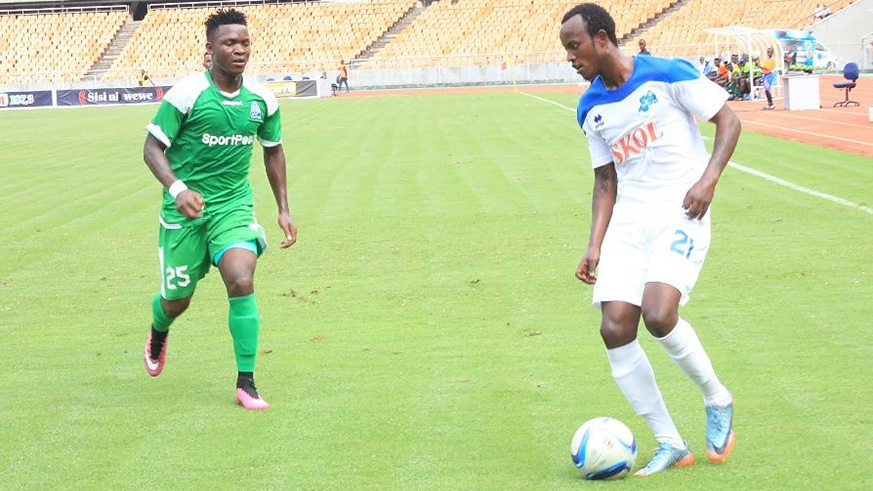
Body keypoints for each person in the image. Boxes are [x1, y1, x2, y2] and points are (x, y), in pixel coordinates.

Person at [559, 3, 741, 476]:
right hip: (628, 225)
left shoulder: (667, 73)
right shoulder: (589, 107)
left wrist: (709, 179)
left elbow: (728, 120)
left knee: (660, 315)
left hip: (681, 212)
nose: (570, 58)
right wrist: (594, 244)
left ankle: (717, 398)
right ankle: (670, 443)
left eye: (574, 47)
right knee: (615, 327)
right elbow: (605, 181)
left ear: (601, 39)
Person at [142, 8, 297, 411]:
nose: (239, 49)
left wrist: (283, 208)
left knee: (241, 279)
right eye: (229, 43)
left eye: (244, 42)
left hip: (232, 205)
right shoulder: (188, 94)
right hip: (185, 211)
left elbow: (273, 151)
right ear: (210, 50)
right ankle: (159, 328)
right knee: (178, 300)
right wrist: (177, 189)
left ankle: (246, 382)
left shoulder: (261, 99)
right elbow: (152, 148)